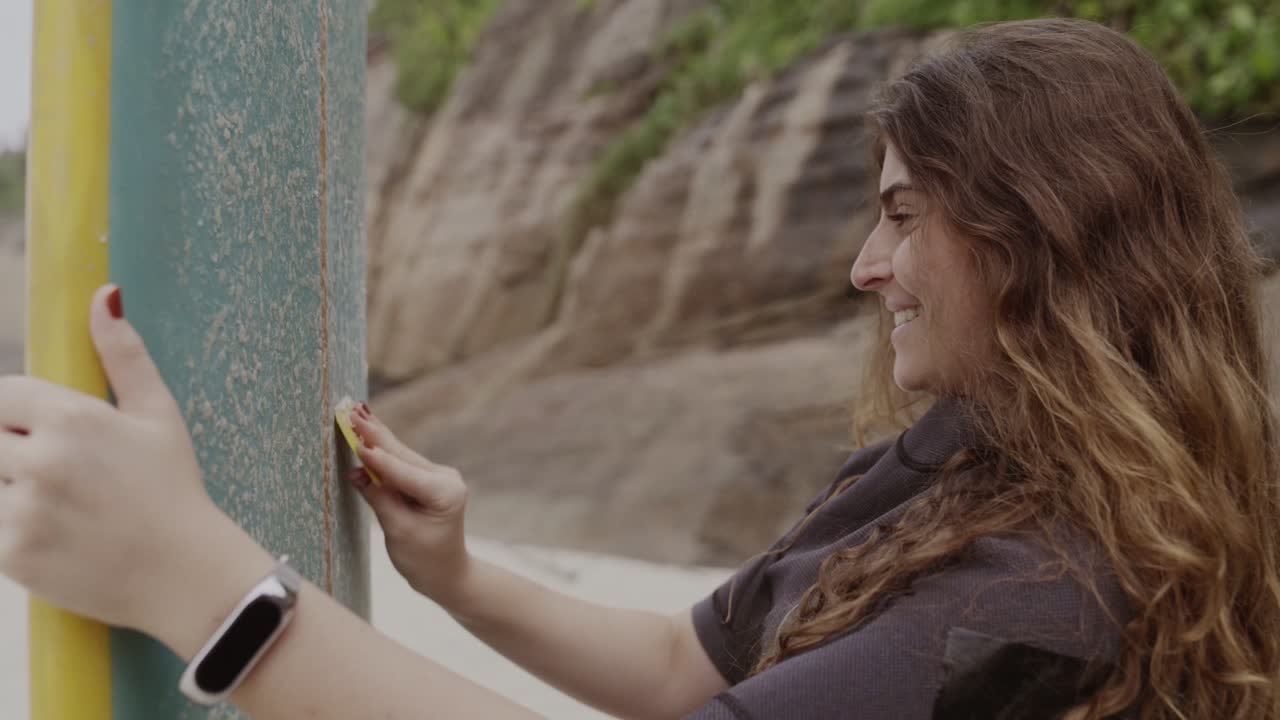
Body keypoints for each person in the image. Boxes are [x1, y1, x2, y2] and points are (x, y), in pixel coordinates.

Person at [1, 16, 1276, 719]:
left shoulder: (1047, 591)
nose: (861, 268)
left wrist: (197, 584)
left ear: (1034, 235)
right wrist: (455, 576)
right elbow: (686, 668)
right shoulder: (970, 461)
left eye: (899, 214)